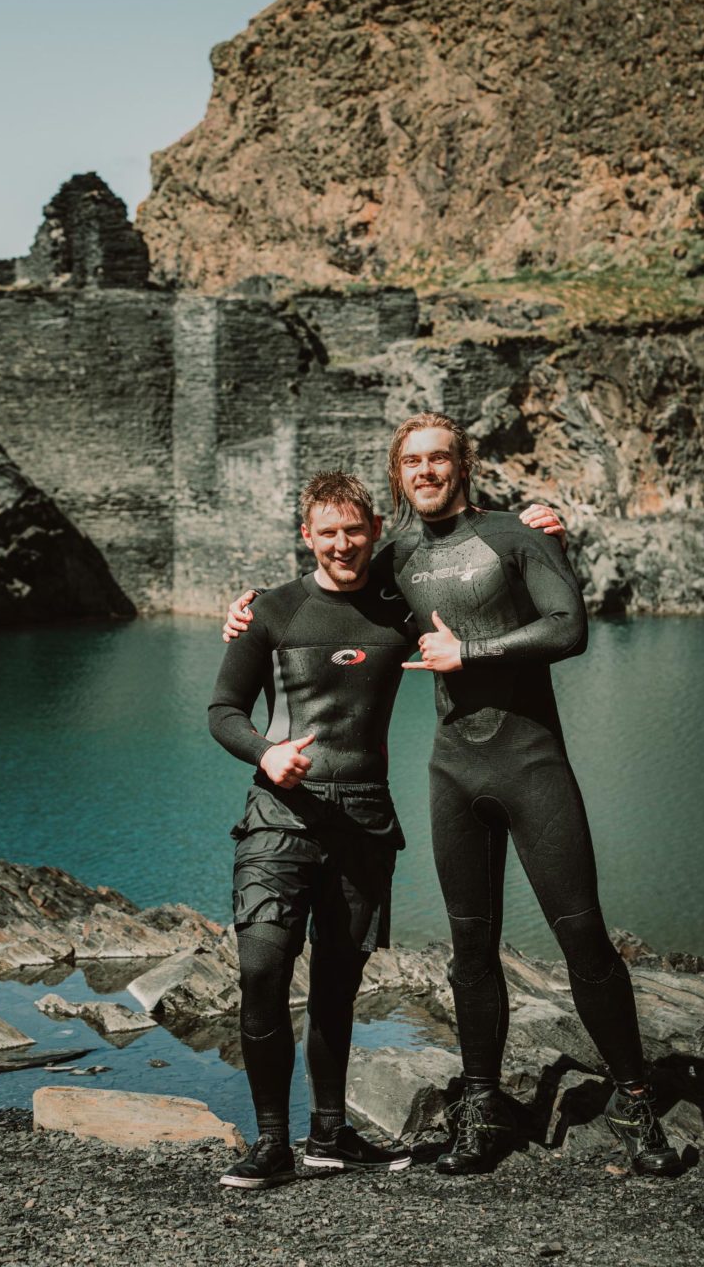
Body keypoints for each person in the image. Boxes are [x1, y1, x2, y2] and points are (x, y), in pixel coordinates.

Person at [224, 415, 681, 1179]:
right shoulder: (392, 554)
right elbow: (323, 590)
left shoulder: (513, 533)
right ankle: (479, 1108)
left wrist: (470, 647)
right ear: (396, 475)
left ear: (462, 462)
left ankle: (634, 1101)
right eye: (412, 461)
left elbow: (569, 628)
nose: (426, 470)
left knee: (582, 937)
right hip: (451, 772)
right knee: (470, 950)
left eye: (439, 457)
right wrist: (246, 611)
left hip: (531, 764)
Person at [210, 468, 562, 1189]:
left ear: (373, 533)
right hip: (278, 819)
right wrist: (266, 752)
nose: (341, 544)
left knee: (339, 986)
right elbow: (223, 711)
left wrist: (543, 533)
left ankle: (330, 1136)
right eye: (327, 532)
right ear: (305, 536)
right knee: (260, 971)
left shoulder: (399, 607)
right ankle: (272, 1141)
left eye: (354, 530)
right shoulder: (271, 611)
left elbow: (498, 601)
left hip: (365, 822)